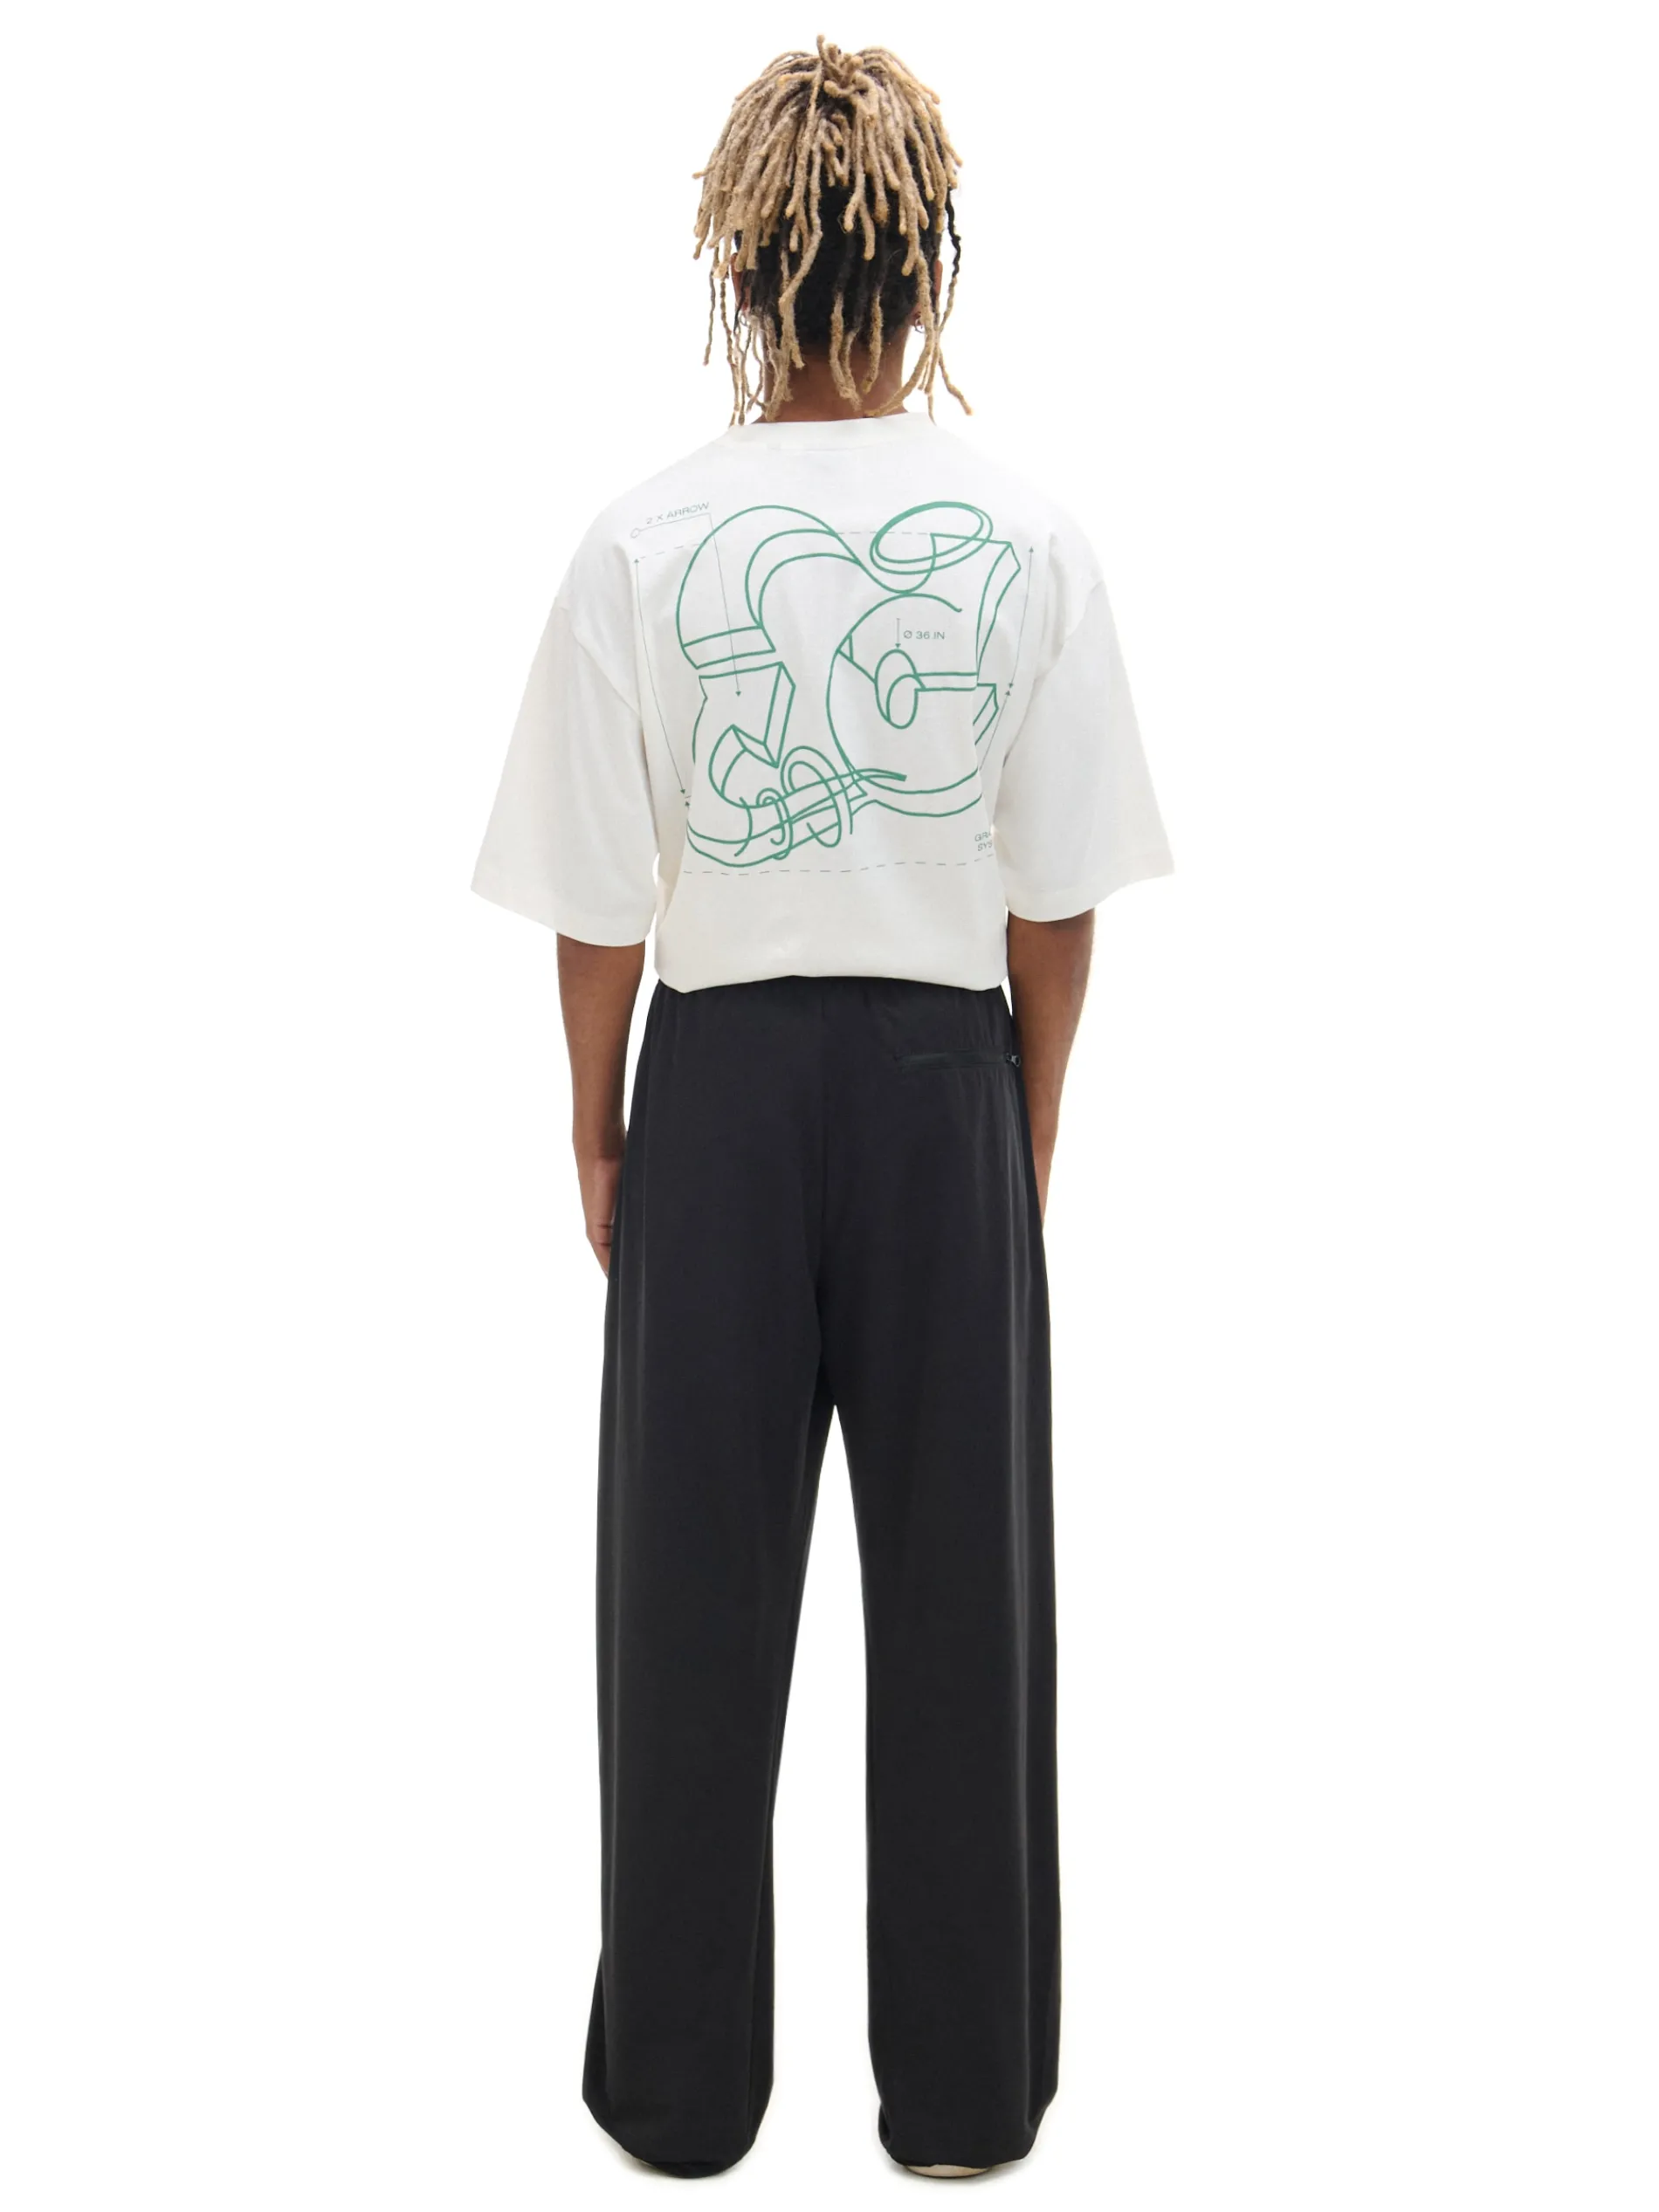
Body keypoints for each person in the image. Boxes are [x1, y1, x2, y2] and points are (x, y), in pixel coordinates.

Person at [472, 36, 1173, 2180]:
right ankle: (961, 2098)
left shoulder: (640, 541)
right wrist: (1013, 1129)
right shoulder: (1027, 536)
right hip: (943, 1080)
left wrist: (599, 1126)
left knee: (683, 1606)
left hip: (720, 1088)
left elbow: (600, 901)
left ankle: (678, 2096)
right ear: (923, 260)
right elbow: (1053, 902)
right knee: (966, 1607)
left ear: (739, 268)